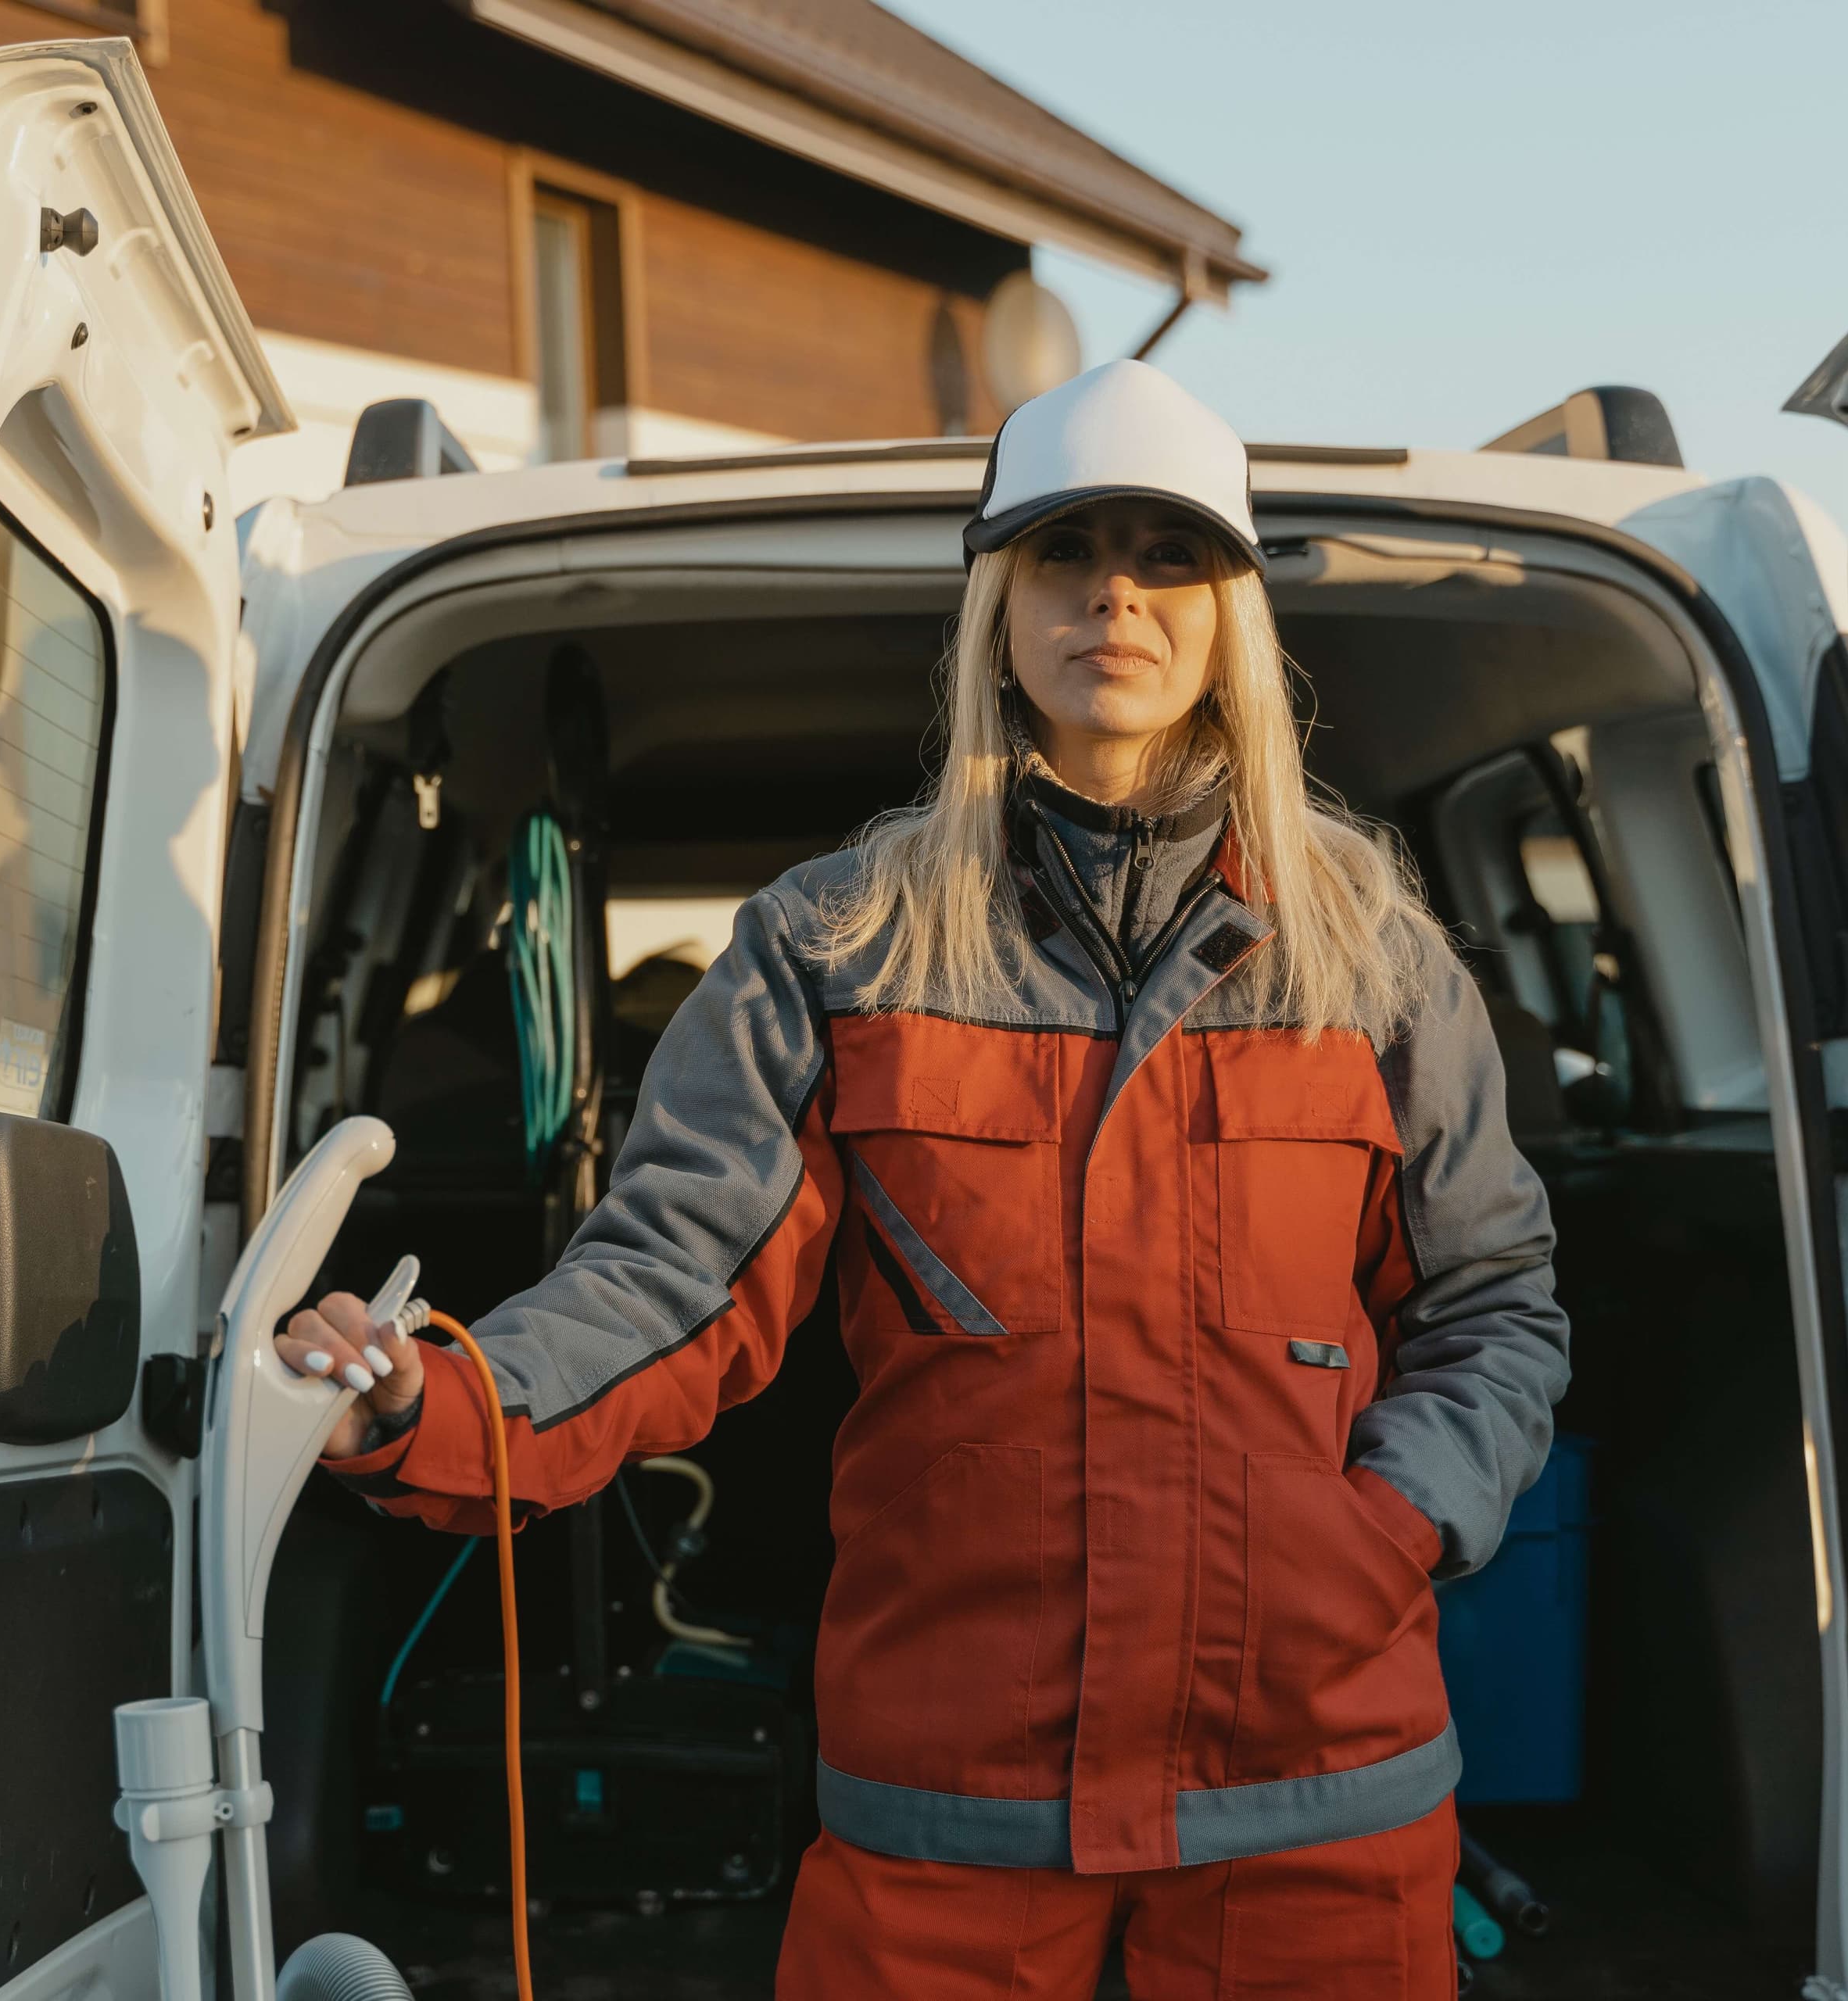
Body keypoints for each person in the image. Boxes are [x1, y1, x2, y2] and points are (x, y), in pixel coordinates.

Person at [278, 360, 1567, 1999]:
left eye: (1167, 554)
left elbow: (1494, 1307)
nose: (1115, 591)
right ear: (997, 602)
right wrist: (432, 1398)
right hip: (951, 1792)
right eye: (1064, 550)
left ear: (1230, 608)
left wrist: (1386, 1526)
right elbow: (670, 1285)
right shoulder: (834, 943)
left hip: (1311, 1787)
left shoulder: (1374, 959)